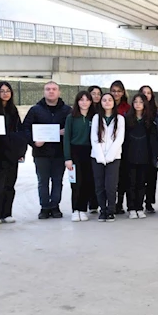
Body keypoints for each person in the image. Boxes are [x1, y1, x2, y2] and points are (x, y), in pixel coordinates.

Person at [23, 81, 71, 219]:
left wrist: (66, 132)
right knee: (42, 181)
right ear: (44, 92)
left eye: (54, 89)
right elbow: (25, 128)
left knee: (57, 181)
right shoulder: (35, 110)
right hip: (41, 153)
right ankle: (44, 207)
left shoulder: (67, 110)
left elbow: (71, 129)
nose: (51, 91)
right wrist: (33, 142)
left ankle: (55, 206)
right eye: (48, 89)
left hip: (59, 153)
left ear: (59, 92)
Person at [0, 81, 26, 226]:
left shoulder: (13, 109)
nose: (5, 93)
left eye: (8, 90)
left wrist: (21, 151)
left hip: (12, 152)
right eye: (2, 91)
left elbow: (20, 132)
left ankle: (6, 213)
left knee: (10, 183)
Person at [91, 93, 125, 222]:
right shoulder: (96, 118)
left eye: (110, 100)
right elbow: (94, 138)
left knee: (111, 186)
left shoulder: (120, 119)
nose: (107, 102)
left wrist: (109, 156)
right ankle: (102, 210)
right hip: (97, 157)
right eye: (104, 100)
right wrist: (100, 156)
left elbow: (119, 139)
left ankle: (111, 210)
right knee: (99, 185)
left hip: (114, 157)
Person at [124, 93, 157, 219]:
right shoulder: (127, 119)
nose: (138, 104)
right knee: (131, 183)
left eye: (141, 102)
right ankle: (131, 208)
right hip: (130, 156)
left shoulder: (149, 120)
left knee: (142, 183)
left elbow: (153, 140)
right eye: (135, 101)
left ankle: (139, 207)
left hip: (145, 156)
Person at [64, 91, 95, 223]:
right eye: (81, 100)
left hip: (89, 152)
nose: (84, 102)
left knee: (87, 182)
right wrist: (67, 158)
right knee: (76, 183)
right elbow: (66, 138)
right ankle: (75, 210)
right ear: (77, 102)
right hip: (75, 151)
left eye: (87, 100)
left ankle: (83, 209)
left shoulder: (94, 117)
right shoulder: (71, 117)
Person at [109, 80, 130, 214]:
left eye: (119, 91)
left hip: (124, 146)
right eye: (114, 91)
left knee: (122, 176)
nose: (116, 94)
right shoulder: (105, 105)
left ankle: (119, 203)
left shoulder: (127, 108)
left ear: (123, 93)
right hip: (106, 146)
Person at [139, 85, 158, 214]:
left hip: (152, 148)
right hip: (138, 148)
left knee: (152, 177)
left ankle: (149, 202)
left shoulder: (156, 111)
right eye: (144, 92)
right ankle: (138, 202)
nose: (146, 95)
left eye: (149, 93)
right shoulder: (135, 110)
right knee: (140, 177)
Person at [86, 85, 103, 214]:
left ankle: (98, 202)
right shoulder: (85, 110)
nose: (96, 96)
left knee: (99, 177)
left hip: (101, 148)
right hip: (86, 148)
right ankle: (91, 203)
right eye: (93, 93)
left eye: (98, 93)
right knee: (89, 177)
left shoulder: (103, 110)